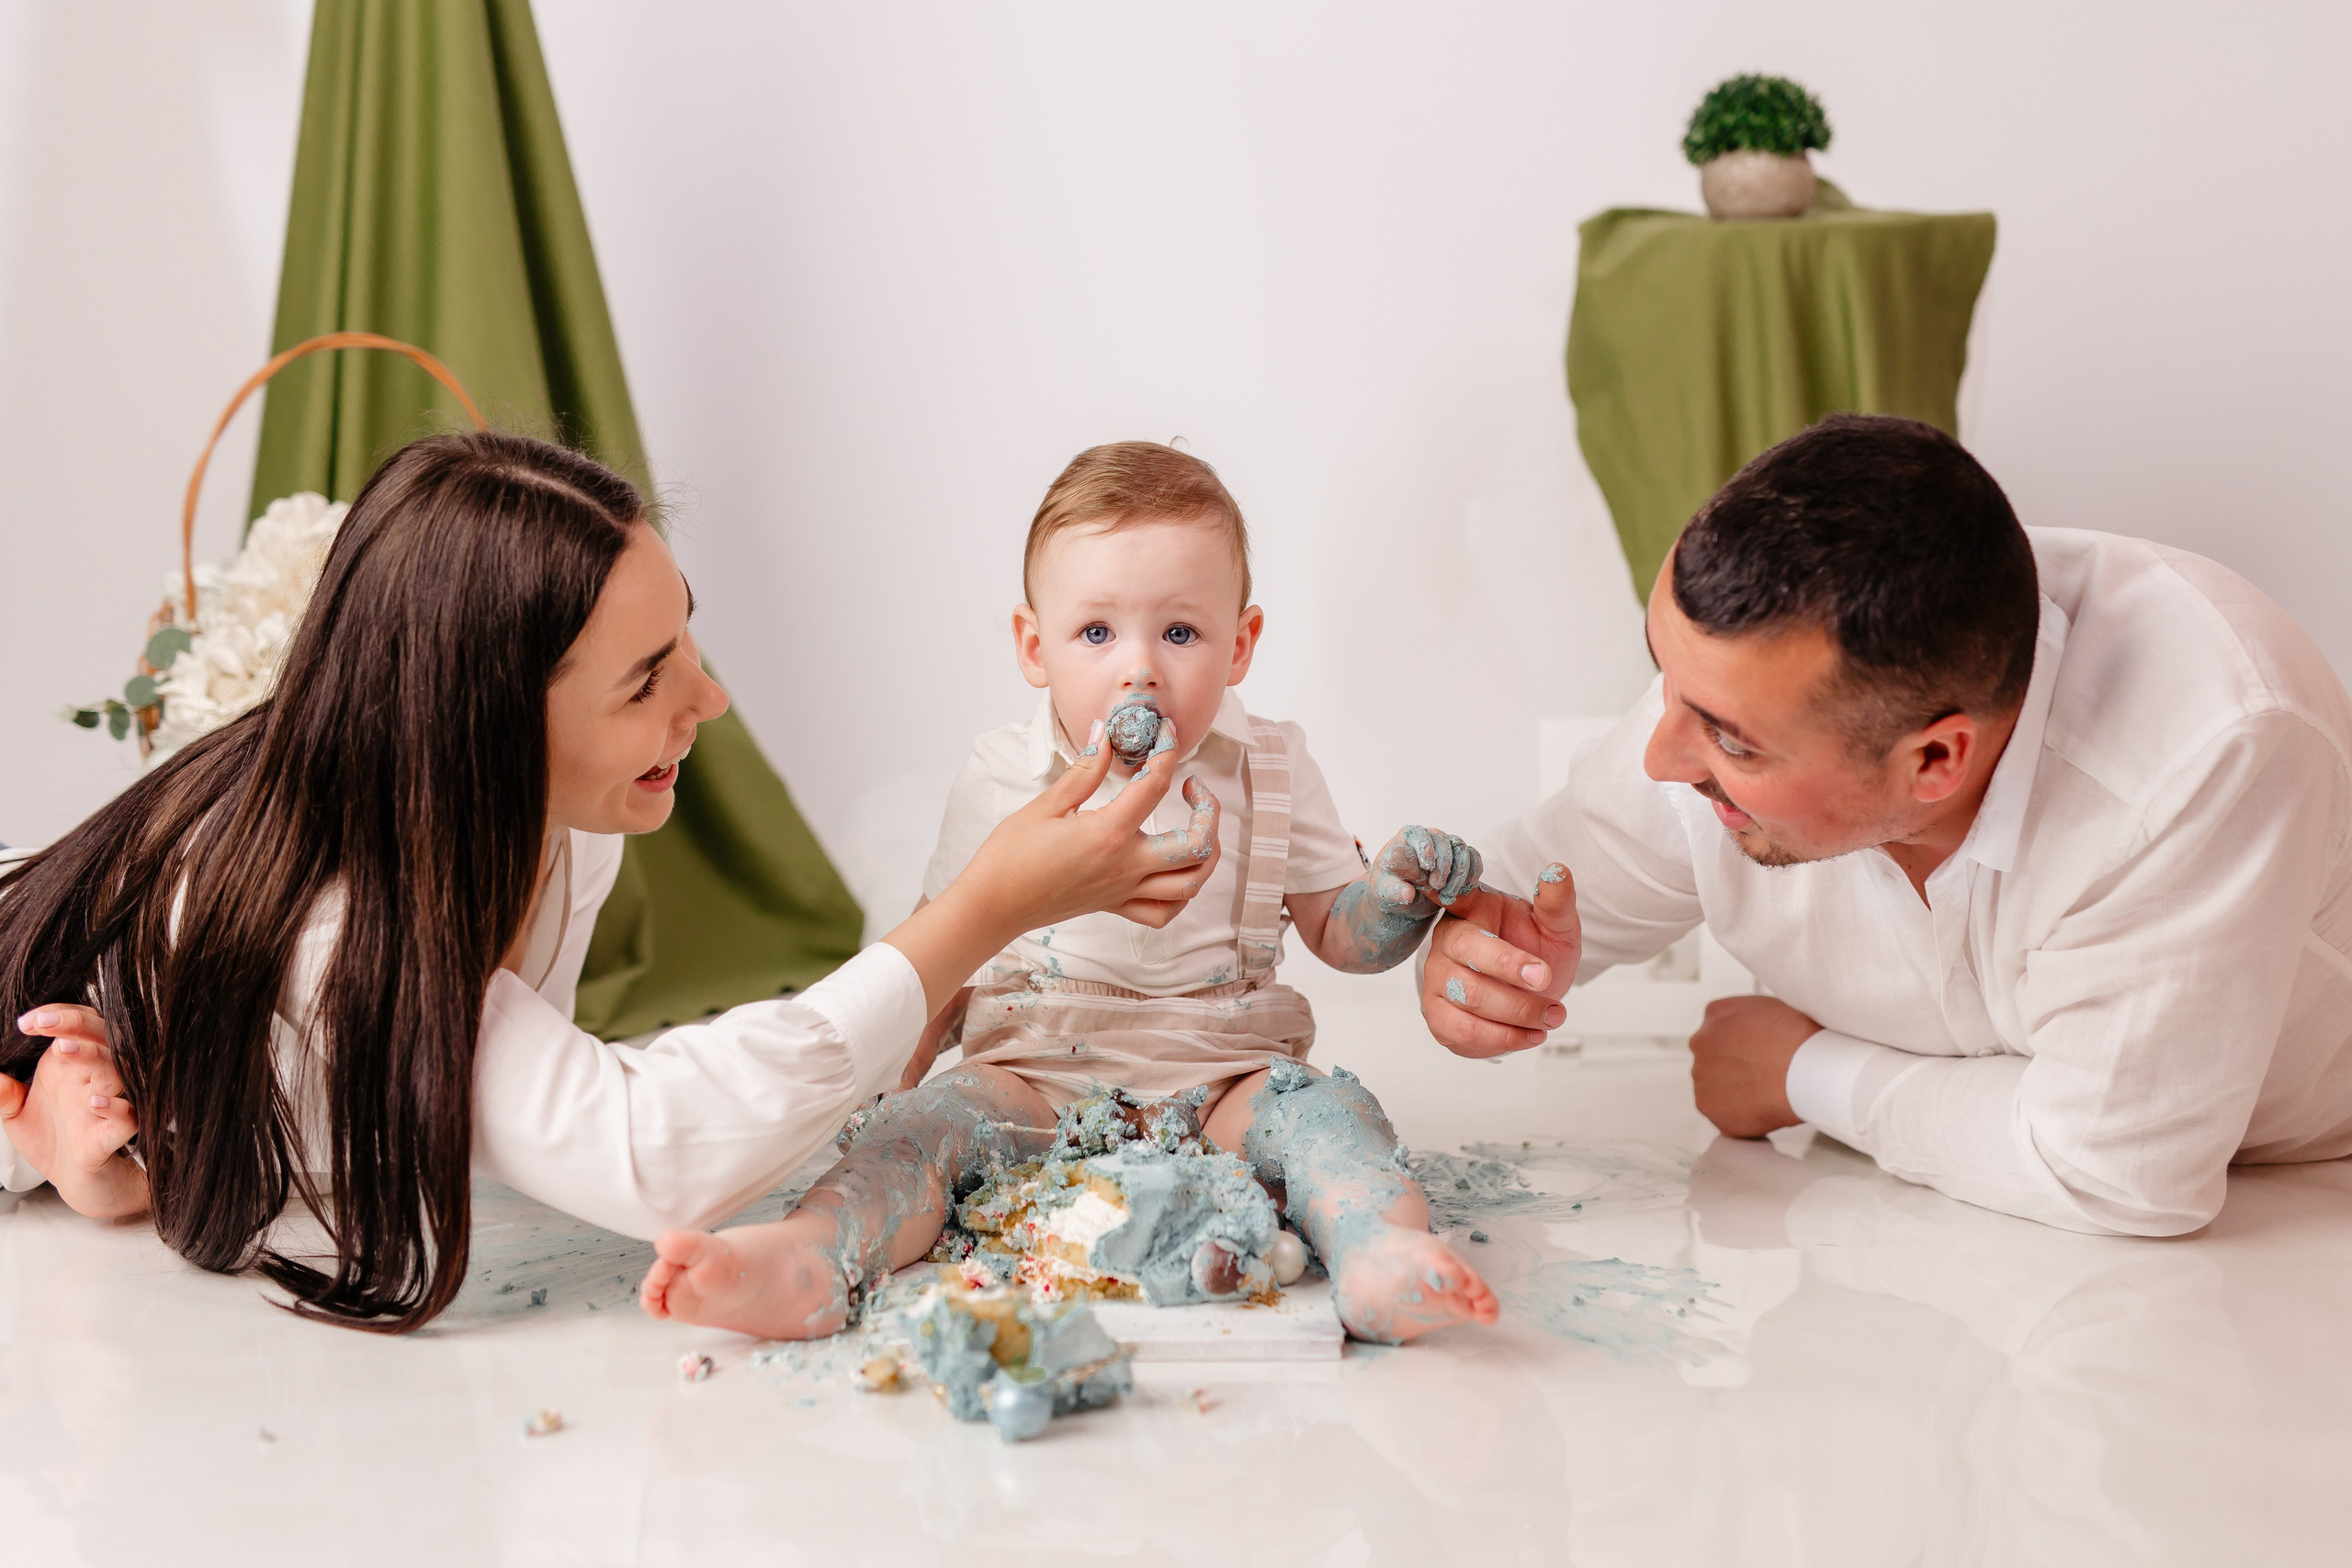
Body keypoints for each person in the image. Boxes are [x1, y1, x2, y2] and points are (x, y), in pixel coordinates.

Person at [0, 431, 1221, 1331]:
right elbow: (654, 1149)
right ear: (486, 729)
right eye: (646, 680)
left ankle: (102, 1149)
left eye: (685, 633)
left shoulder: (551, 812)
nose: (710, 698)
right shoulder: (352, 934)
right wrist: (986, 909)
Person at [639, 441, 1503, 1342]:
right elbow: (944, 942)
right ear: (1033, 645)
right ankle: (812, 1255)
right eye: (1096, 634)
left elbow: (1338, 931)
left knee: (1334, 1121)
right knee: (919, 1132)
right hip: (1036, 1072)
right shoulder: (1003, 773)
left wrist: (1397, 898)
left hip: (1225, 1079)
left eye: (1179, 633)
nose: (1138, 671)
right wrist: (886, 1070)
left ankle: (1379, 1254)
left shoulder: (1273, 766)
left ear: (1240, 643)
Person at [1419, 414, 2352, 1237]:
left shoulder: (2210, 749)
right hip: (1907, 1229)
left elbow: (2116, 1169)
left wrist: (1802, 1073)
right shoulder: (1744, 681)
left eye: (1728, 741)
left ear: (1935, 761)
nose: (1662, 758)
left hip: (2294, 1220)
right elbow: (1508, 898)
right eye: (1666, 677)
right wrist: (1471, 957)